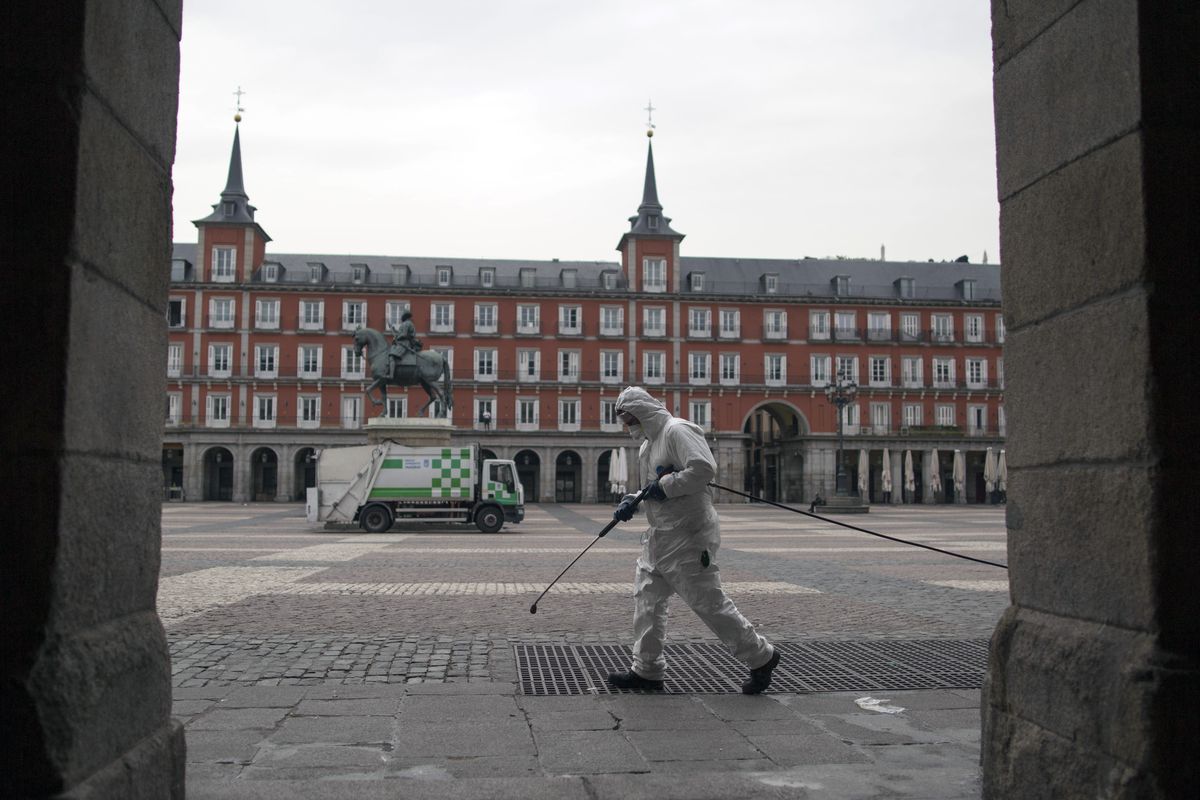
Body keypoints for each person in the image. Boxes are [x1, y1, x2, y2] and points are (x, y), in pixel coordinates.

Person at [608, 386, 780, 694]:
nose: (627, 424)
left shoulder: (678, 430)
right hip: (659, 536)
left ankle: (761, 656)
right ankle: (646, 670)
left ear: (643, 411)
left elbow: (703, 469)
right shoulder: (647, 446)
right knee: (647, 601)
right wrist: (634, 500)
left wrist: (666, 486)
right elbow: (652, 487)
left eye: (629, 417)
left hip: (689, 534)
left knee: (707, 602)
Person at [387, 310, 422, 380]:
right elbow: (401, 333)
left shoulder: (406, 324)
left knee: (391, 356)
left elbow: (404, 334)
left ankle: (391, 375)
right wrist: (393, 329)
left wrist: (397, 337)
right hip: (402, 342)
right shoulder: (408, 323)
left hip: (405, 343)